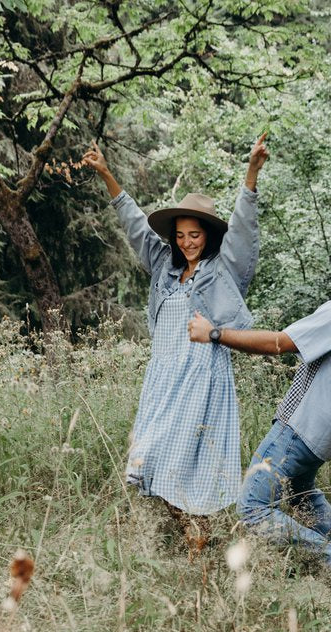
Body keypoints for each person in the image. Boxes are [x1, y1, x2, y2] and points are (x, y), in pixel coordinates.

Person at [188, 228, 331, 580]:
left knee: (252, 509)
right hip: (327, 437)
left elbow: (279, 343)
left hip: (299, 428)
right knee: (303, 496)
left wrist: (214, 333)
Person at [82, 134, 269, 552]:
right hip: (163, 378)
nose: (187, 243)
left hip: (201, 378)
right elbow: (133, 224)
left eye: (195, 235)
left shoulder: (224, 271)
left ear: (208, 236)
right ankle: (195, 532)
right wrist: (108, 174)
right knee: (147, 459)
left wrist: (252, 172)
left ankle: (197, 536)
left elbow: (243, 229)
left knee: (183, 460)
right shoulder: (163, 268)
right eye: (181, 235)